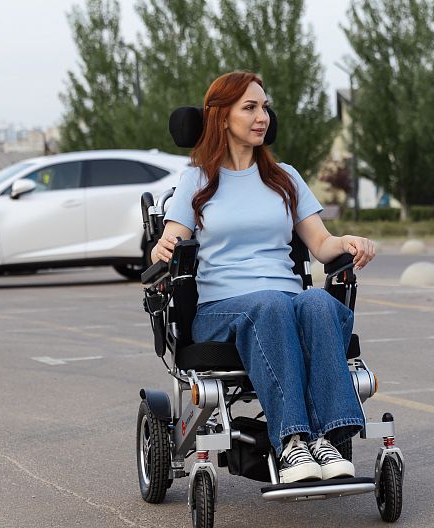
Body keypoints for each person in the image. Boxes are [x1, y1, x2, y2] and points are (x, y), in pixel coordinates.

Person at [152, 72, 376, 484]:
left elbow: (321, 243)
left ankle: (327, 438)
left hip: (283, 302)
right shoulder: (196, 181)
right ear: (222, 117)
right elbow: (166, 245)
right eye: (250, 108)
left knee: (318, 301)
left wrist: (348, 241)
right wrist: (162, 248)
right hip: (221, 310)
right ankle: (292, 442)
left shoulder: (284, 178)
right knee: (270, 304)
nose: (262, 117)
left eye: (265, 107)